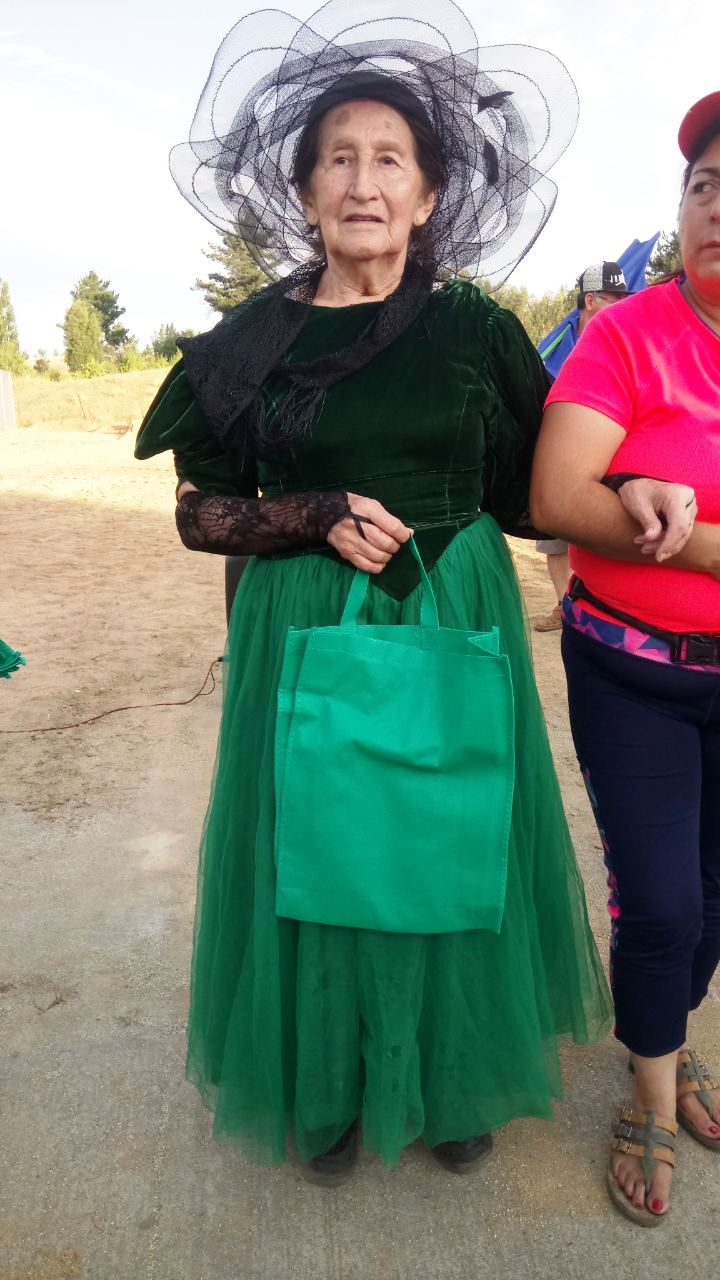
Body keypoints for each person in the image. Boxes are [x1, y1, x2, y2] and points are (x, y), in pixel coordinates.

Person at [135, 0, 611, 1184]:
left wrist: (632, 487)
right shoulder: (249, 343)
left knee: (450, 833)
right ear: (304, 194)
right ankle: (333, 1082)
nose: (363, 181)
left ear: (429, 194)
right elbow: (201, 513)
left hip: (452, 610)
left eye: (390, 159)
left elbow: (530, 492)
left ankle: (448, 1075)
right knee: (325, 852)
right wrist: (309, 511)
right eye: (338, 159)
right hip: (305, 626)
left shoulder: (473, 331)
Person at [530, 91, 720, 1226]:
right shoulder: (627, 334)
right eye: (706, 187)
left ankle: (670, 1036)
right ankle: (651, 1087)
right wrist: (671, 522)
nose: (719, 209)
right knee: (660, 899)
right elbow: (557, 495)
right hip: (633, 671)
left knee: (716, 894)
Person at [534, 262, 633, 633]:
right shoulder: (558, 346)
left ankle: (599, 606)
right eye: (614, 298)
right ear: (590, 300)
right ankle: (564, 605)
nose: (622, 305)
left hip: (612, 456)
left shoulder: (624, 341)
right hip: (563, 458)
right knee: (555, 541)